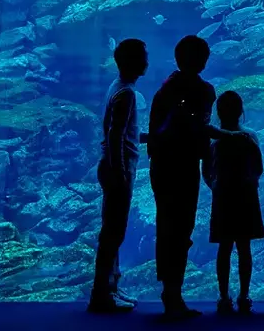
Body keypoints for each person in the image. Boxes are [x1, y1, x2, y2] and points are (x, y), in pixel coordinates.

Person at [146, 35, 217, 319]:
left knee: (167, 226)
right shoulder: (203, 90)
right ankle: (173, 294)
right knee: (181, 227)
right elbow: (200, 128)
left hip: (162, 166)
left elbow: (156, 130)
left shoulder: (164, 89)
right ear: (201, 60)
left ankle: (170, 290)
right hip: (183, 167)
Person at [88, 38, 148, 313]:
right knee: (113, 232)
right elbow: (114, 136)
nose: (147, 61)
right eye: (144, 56)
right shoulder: (126, 93)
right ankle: (101, 293)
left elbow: (124, 131)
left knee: (113, 231)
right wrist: (121, 172)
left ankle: (111, 286)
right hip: (117, 169)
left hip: (113, 166)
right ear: (133, 61)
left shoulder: (120, 87)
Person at [203, 90, 264, 315]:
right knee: (244, 248)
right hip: (246, 197)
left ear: (218, 113)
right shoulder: (249, 136)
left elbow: (206, 171)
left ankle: (223, 296)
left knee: (224, 248)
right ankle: (244, 295)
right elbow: (259, 167)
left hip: (223, 198)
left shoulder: (214, 141)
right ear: (242, 111)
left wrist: (216, 186)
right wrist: (250, 181)